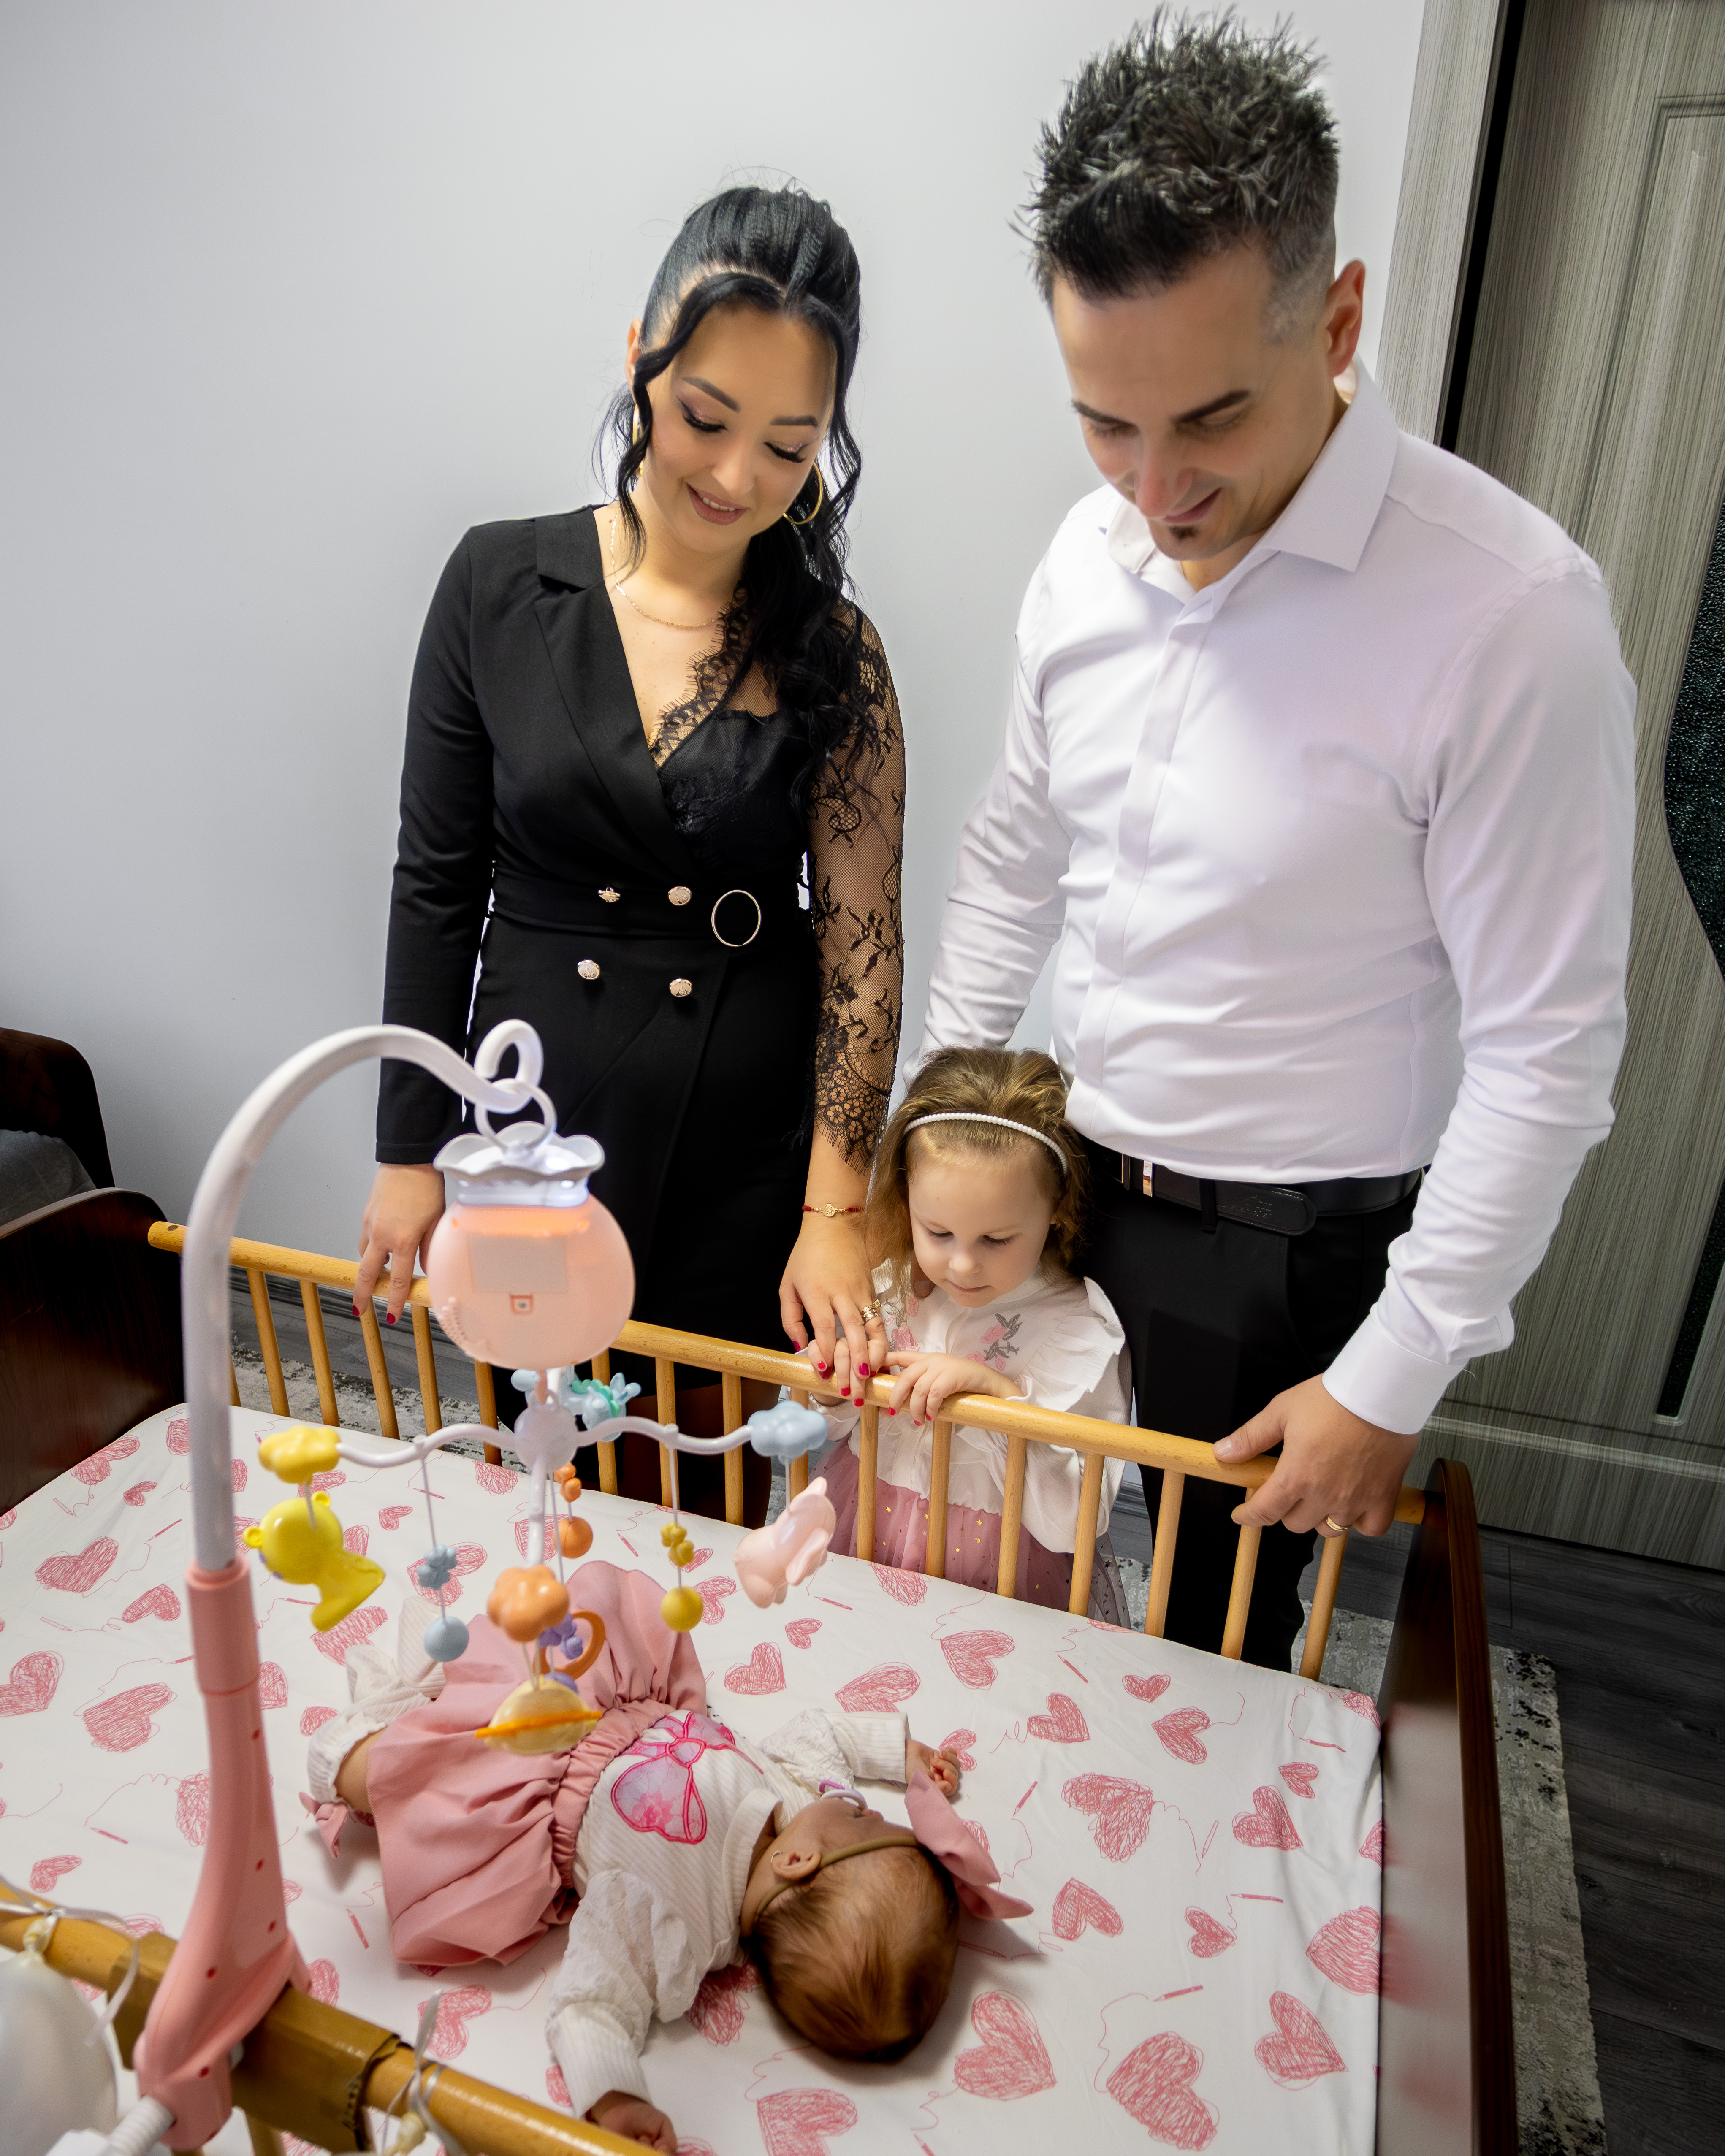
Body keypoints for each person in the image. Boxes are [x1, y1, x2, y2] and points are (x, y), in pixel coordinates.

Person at [920, 16, 1635, 1667]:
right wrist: (940, 1145)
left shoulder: (1508, 616)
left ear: (1338, 318)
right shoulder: (1081, 557)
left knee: (1203, 1651)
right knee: (992, 1570)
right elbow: (1013, 861)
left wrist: (1389, 1372)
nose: (1155, 488)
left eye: (1210, 419)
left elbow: (1546, 1050)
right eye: (1105, 423)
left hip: (1281, 1257)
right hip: (1059, 1188)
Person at [355, 185, 904, 1519]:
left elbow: (863, 958)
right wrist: (407, 1148)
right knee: (546, 1490)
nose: (736, 478)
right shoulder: (495, 583)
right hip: (536, 1122)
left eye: (789, 446)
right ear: (639, 359)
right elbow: (436, 881)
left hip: (743, 1147)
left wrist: (834, 1214)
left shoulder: (835, 652)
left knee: (704, 1509)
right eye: (705, 418)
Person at [301, 1567, 1023, 2152]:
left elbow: (591, 2004)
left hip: (521, 1791)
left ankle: (386, 1719)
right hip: (599, 1702)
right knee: (533, 1639)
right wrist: (899, 1751)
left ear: (800, 1861)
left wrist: (615, 2097)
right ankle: (434, 1690)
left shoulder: (671, 1926)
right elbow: (823, 1734)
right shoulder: (797, 1797)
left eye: (864, 1818)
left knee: (377, 1771)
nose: (858, 1804)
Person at [814, 1047, 1131, 1618]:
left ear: (1057, 1207)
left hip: (1001, 1567)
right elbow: (822, 1424)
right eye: (937, 1232)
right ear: (906, 1199)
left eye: (996, 1240)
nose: (962, 1265)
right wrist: (833, 1384)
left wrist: (1000, 1399)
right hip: (863, 1519)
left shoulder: (1080, 1330)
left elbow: (1074, 1523)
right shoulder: (885, 1286)